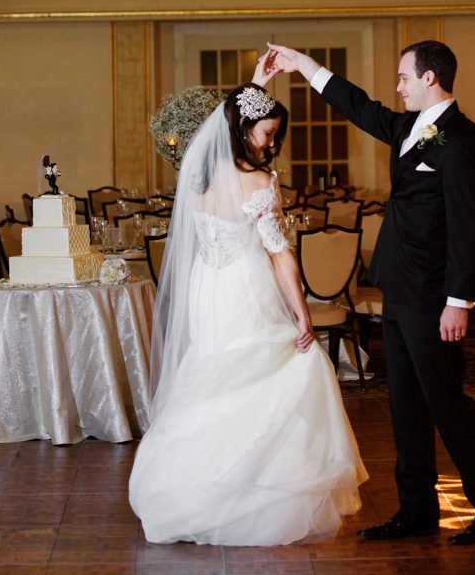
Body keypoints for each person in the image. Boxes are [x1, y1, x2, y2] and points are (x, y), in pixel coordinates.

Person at [268, 40, 475, 546]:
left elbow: (472, 226)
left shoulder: (462, 140)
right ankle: (417, 510)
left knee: (448, 403)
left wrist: (459, 300)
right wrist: (305, 68)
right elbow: (358, 105)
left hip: (435, 296)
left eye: (404, 77)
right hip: (400, 287)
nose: (398, 85)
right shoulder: (408, 127)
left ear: (430, 79)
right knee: (405, 404)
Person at [128, 53, 367, 546]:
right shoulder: (258, 183)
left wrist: (257, 85)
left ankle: (197, 489)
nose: (273, 142)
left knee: (215, 380)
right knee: (277, 373)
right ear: (246, 130)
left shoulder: (199, 177)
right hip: (243, 287)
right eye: (268, 133)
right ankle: (254, 493)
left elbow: (234, 116)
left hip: (207, 289)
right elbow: (281, 258)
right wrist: (304, 316)